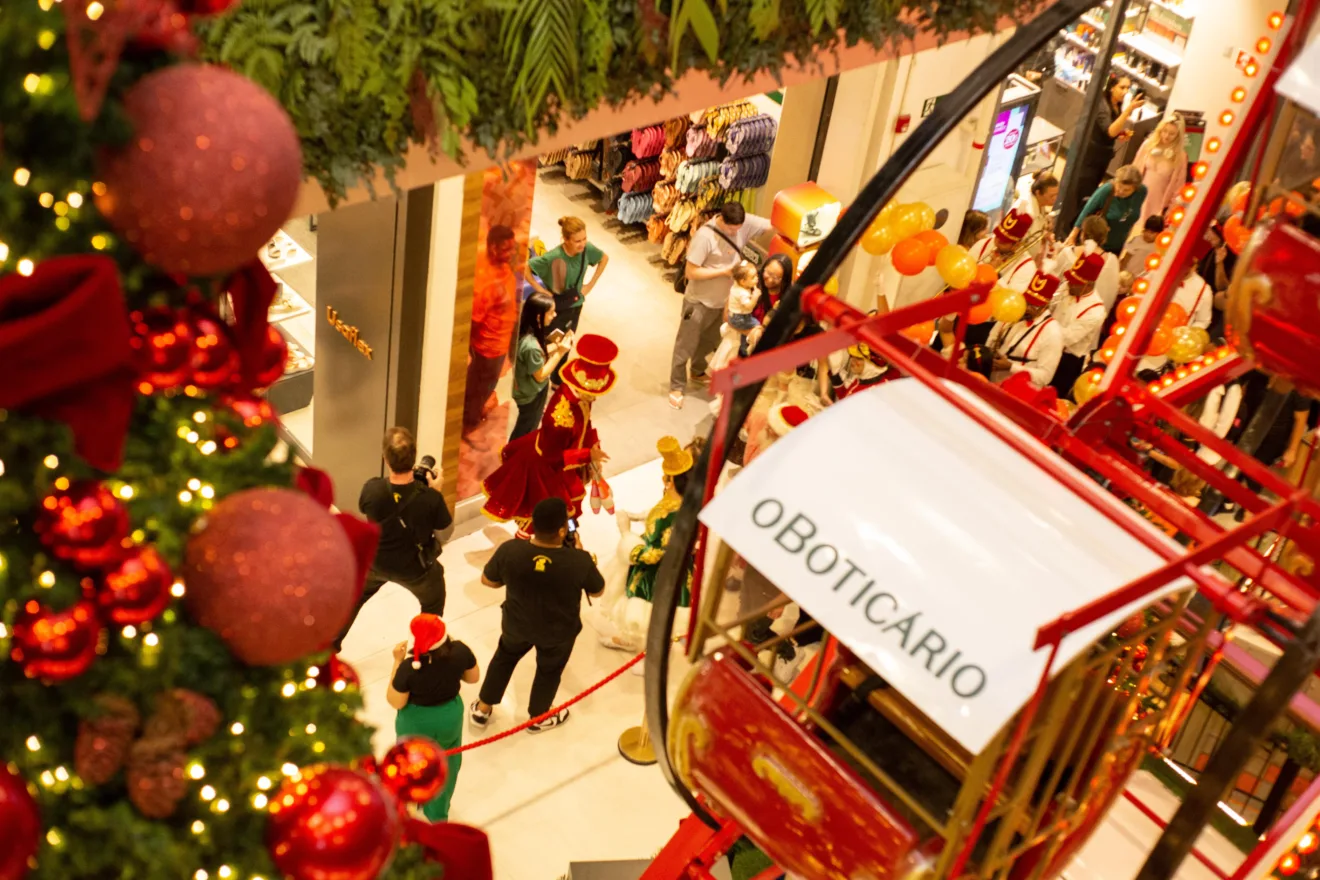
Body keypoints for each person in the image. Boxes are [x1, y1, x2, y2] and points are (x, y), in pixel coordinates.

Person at [471, 497, 606, 732]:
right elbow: (598, 591)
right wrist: (580, 555)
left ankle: (482, 709)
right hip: (558, 631)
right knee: (549, 670)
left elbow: (487, 580)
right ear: (563, 530)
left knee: (504, 658)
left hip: (516, 623)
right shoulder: (578, 560)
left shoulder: (510, 550)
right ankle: (538, 717)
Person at [482, 333, 618, 537]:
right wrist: (587, 455)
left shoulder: (581, 396)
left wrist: (593, 444)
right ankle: (525, 553)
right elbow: (552, 457)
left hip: (562, 463)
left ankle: (563, 539)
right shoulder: (560, 417)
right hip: (545, 468)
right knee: (537, 517)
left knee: (561, 512)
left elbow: (586, 422)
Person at [334, 428, 453, 652]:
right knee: (433, 601)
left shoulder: (372, 489)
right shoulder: (430, 497)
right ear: (415, 457)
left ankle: (328, 646)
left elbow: (366, 510)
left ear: (385, 459)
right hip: (415, 569)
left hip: (375, 562)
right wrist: (435, 493)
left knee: (353, 598)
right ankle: (423, 649)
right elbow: (445, 534)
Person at [670, 202, 773, 409]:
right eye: (731, 229)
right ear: (721, 220)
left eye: (738, 228)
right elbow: (691, 272)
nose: (736, 232)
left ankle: (697, 371)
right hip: (698, 301)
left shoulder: (743, 223)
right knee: (686, 344)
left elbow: (772, 224)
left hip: (724, 302)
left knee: (710, 340)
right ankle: (676, 385)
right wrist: (725, 271)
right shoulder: (704, 236)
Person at [600, 436, 696, 653]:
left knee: (648, 616)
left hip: (659, 573)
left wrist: (626, 534)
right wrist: (640, 516)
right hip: (677, 564)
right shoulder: (683, 501)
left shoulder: (672, 514)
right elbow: (659, 512)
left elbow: (652, 554)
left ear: (670, 481)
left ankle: (647, 655)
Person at [387, 614, 478, 822]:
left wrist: (397, 662)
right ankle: (437, 813)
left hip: (415, 720)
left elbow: (396, 701)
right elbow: (473, 677)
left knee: (412, 762)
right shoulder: (460, 651)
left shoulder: (409, 668)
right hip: (449, 716)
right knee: (447, 761)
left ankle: (411, 798)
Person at [1060, 74, 1145, 230]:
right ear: (1112, 86)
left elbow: (1113, 130)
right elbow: (1109, 131)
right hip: (1090, 158)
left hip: (1101, 158)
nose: (1125, 92)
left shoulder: (1116, 105)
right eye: (1122, 87)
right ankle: (1069, 227)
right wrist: (1129, 110)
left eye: (1127, 88)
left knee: (1090, 191)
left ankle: (1076, 226)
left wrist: (1121, 133)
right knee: (1082, 193)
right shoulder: (1102, 104)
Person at [464, 225, 520, 431]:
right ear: (493, 248)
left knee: (478, 382)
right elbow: (475, 319)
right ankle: (469, 421)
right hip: (489, 347)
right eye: (506, 248)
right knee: (482, 386)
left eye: (512, 248)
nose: (512, 253)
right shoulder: (487, 282)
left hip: (498, 343)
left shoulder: (501, 268)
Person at [526, 216, 609, 336]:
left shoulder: (587, 249)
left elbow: (604, 258)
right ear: (565, 239)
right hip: (554, 309)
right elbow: (525, 268)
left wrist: (590, 285)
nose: (582, 244)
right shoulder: (553, 257)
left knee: (567, 342)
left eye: (584, 239)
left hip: (575, 306)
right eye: (578, 241)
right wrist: (541, 290)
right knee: (550, 344)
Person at [985, 270, 1063, 389]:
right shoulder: (1014, 309)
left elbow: (1045, 377)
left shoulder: (1053, 333)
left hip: (1017, 392)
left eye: (1034, 305)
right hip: (990, 381)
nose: (1027, 308)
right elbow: (992, 337)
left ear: (1045, 306)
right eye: (1027, 301)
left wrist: (1011, 367)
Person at [509, 294, 572, 442]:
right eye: (551, 312)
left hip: (527, 390)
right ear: (539, 316)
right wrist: (560, 352)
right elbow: (540, 374)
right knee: (526, 430)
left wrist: (556, 345)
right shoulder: (531, 346)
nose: (554, 315)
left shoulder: (524, 331)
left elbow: (536, 354)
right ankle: (513, 456)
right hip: (530, 395)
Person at [1050, 252, 1107, 396]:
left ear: (1087, 285)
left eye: (1074, 282)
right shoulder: (1068, 288)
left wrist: (1045, 326)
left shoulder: (1095, 311)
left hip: (1066, 362)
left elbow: (1067, 338)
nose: (1069, 283)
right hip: (1047, 345)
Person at [1067, 165, 1148, 256]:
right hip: (1097, 245)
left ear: (1135, 189)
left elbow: (1132, 215)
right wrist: (1072, 236)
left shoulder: (1142, 192)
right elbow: (1086, 211)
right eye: (1119, 186)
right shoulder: (1107, 190)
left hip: (1118, 245)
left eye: (1126, 190)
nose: (1120, 191)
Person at [1056, 215, 1120, 312]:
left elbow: (1053, 280)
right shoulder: (1112, 261)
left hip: (1061, 310)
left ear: (1083, 234)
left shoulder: (1067, 253)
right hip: (1092, 312)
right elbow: (1110, 293)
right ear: (1104, 238)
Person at [1134, 115, 1188, 228]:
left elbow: (1179, 186)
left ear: (1178, 136)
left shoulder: (1181, 156)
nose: (1167, 136)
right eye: (1165, 131)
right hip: (1138, 196)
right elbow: (1134, 169)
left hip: (1158, 203)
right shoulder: (1148, 145)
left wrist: (1170, 209)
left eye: (1172, 134)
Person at [708, 263, 762, 372]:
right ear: (743, 281)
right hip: (740, 318)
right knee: (757, 326)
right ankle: (747, 348)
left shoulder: (736, 286)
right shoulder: (742, 293)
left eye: (756, 275)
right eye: (753, 277)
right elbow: (749, 306)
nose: (757, 279)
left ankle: (744, 347)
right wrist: (755, 297)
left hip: (733, 316)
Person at [1012, 173, 1060, 261]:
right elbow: (1014, 245)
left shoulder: (1041, 204)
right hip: (1018, 260)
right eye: (1051, 196)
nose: (1055, 198)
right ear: (1038, 192)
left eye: (1056, 194)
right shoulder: (1026, 212)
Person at [751, 253, 793, 326]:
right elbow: (730, 315)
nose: (770, 280)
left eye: (776, 278)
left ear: (784, 280)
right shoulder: (751, 280)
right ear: (764, 267)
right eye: (769, 273)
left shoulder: (788, 297)